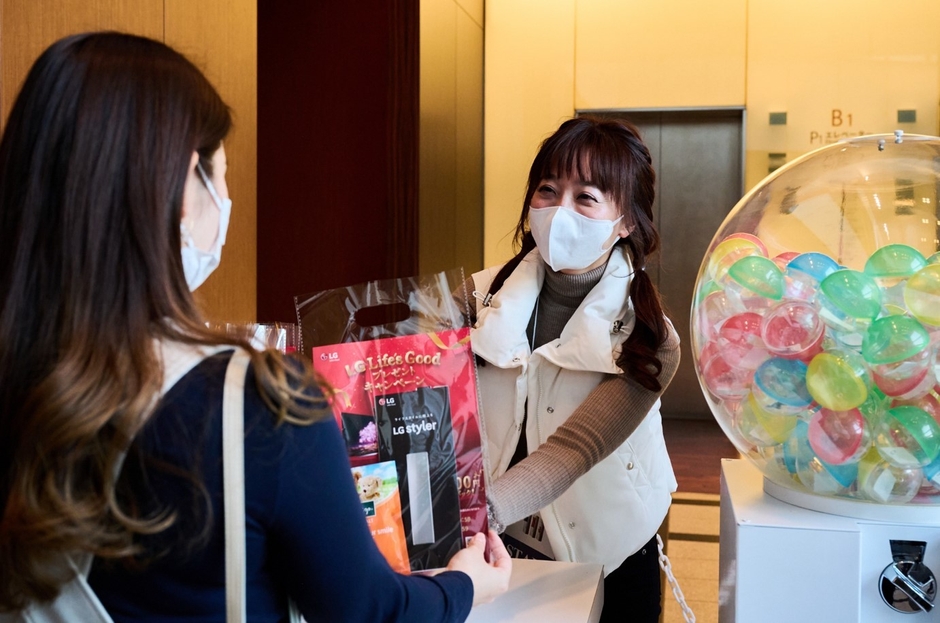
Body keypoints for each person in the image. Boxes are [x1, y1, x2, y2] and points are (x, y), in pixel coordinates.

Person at [0, 32, 510, 622]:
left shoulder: (23, 379)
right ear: (181, 184)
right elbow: (370, 611)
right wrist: (462, 585)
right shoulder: (256, 406)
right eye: (220, 172)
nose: (225, 197)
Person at [470, 116, 680, 622]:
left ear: (626, 221)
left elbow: (573, 449)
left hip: (610, 545)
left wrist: (472, 514)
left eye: (586, 197)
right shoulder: (475, 297)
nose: (559, 210)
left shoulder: (651, 339)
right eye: (547, 190)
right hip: (500, 542)